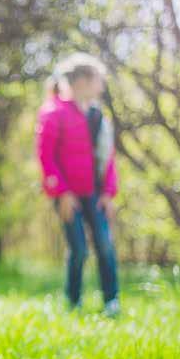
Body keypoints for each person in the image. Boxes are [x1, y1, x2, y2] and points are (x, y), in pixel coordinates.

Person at [36, 53, 120, 316]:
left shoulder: (97, 117)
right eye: (98, 80)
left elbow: (107, 158)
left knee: (105, 245)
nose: (102, 86)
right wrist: (61, 193)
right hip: (68, 195)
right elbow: (46, 156)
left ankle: (111, 301)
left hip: (94, 194)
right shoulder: (54, 112)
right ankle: (73, 301)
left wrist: (108, 192)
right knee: (79, 249)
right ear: (83, 80)